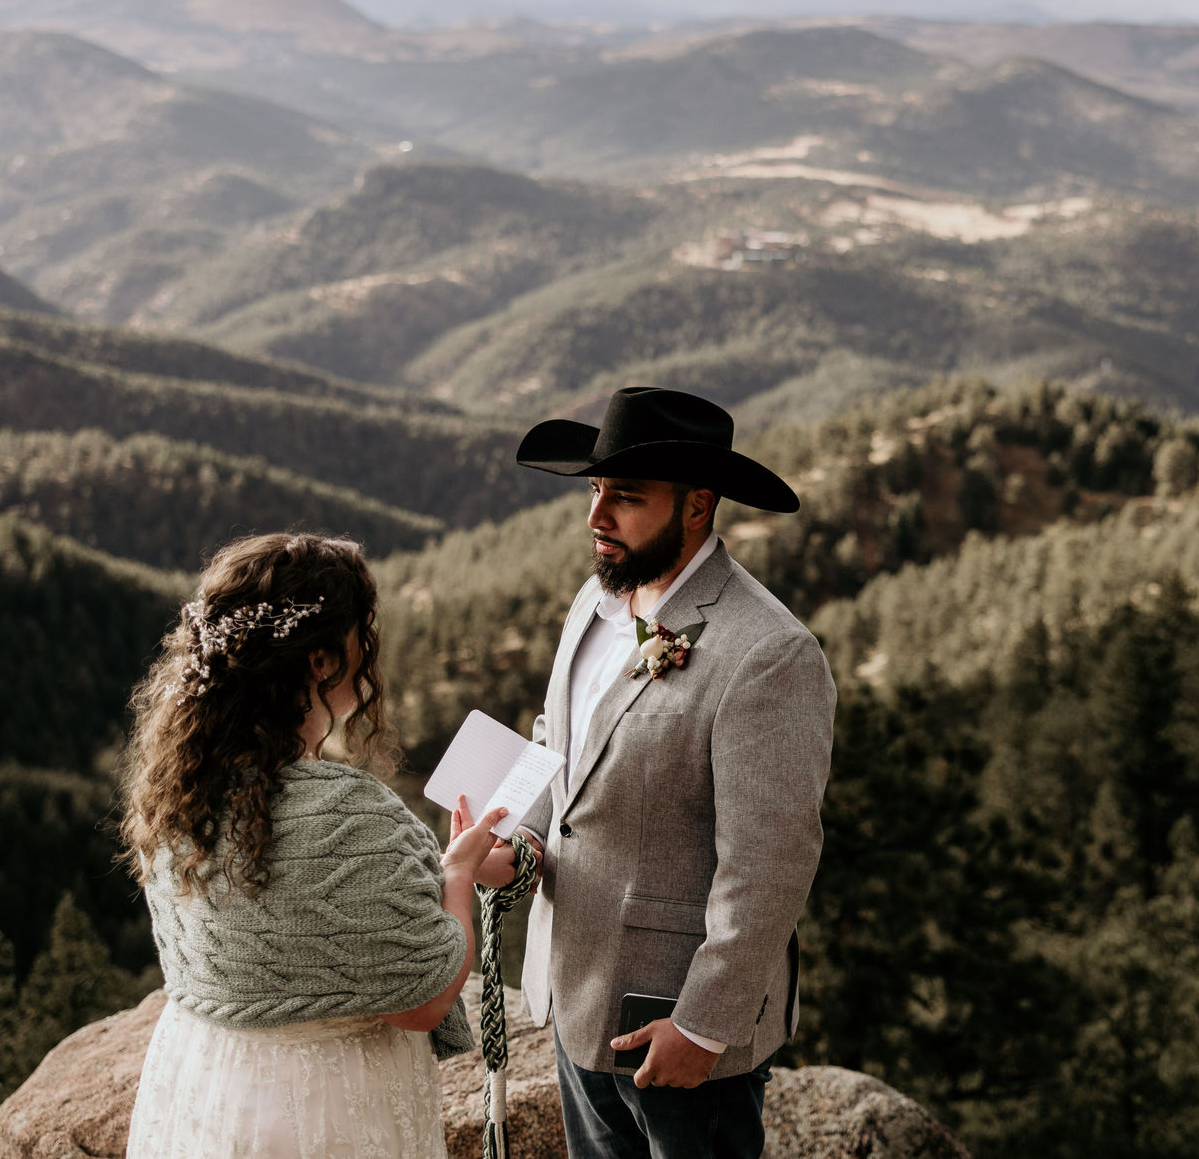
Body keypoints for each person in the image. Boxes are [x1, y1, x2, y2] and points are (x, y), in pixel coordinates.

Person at [508, 386, 836, 1159]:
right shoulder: (593, 602)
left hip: (677, 1023)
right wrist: (517, 841)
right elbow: (558, 744)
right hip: (571, 993)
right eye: (595, 492)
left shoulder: (768, 651)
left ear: (697, 506)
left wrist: (703, 1024)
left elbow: (770, 863)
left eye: (625, 497)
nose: (597, 516)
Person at [119, 532, 521, 1159]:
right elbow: (425, 999)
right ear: (323, 661)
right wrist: (459, 875)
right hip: (329, 1102)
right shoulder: (351, 814)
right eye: (363, 632)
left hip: (204, 1085)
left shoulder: (175, 795)